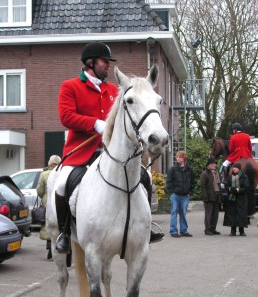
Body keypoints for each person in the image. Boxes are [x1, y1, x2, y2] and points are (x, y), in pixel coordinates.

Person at [54, 42, 164, 253]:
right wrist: (95, 123)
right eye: (105, 61)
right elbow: (65, 116)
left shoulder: (114, 89)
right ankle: (64, 233)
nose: (108, 66)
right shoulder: (70, 86)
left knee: (146, 178)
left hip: (112, 152)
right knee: (61, 184)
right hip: (81, 151)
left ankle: (146, 227)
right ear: (91, 63)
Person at [36, 155, 61, 259]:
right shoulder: (61, 173)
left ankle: (50, 248)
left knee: (49, 226)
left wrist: (44, 196)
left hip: (47, 203)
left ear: (49, 162)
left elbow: (40, 191)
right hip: (60, 202)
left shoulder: (44, 174)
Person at [166, 150, 195, 238]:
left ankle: (183, 230)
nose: (178, 158)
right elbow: (169, 182)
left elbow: (192, 181)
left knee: (183, 213)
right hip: (175, 195)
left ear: (184, 158)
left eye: (180, 157)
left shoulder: (189, 170)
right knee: (174, 212)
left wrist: (190, 191)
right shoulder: (173, 169)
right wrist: (171, 192)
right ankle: (173, 231)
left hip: (185, 195)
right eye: (177, 157)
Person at [223, 162, 249, 236]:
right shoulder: (230, 176)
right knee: (232, 214)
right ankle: (233, 231)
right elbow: (226, 185)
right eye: (233, 167)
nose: (234, 169)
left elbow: (246, 187)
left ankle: (241, 231)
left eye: (236, 167)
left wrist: (238, 190)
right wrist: (230, 189)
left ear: (239, 169)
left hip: (241, 199)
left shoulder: (244, 177)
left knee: (241, 214)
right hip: (232, 199)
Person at [199, 157, 222, 235]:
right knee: (208, 214)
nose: (213, 165)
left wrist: (220, 196)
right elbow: (202, 186)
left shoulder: (217, 173)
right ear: (208, 165)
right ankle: (207, 229)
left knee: (215, 214)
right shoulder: (204, 174)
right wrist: (205, 197)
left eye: (214, 164)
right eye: (211, 164)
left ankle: (213, 228)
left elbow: (219, 185)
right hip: (209, 196)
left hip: (216, 195)